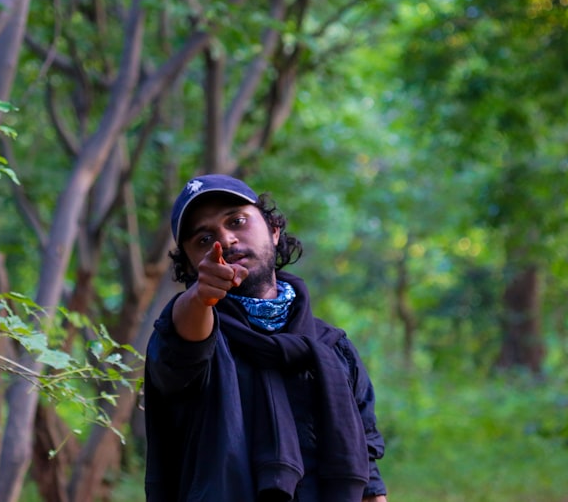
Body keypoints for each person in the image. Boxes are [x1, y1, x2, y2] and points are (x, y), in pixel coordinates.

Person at [144, 174, 388, 502]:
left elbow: (368, 474)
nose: (225, 240)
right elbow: (182, 349)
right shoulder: (190, 333)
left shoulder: (332, 347)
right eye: (203, 240)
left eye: (237, 221)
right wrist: (201, 296)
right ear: (191, 267)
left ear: (273, 231)